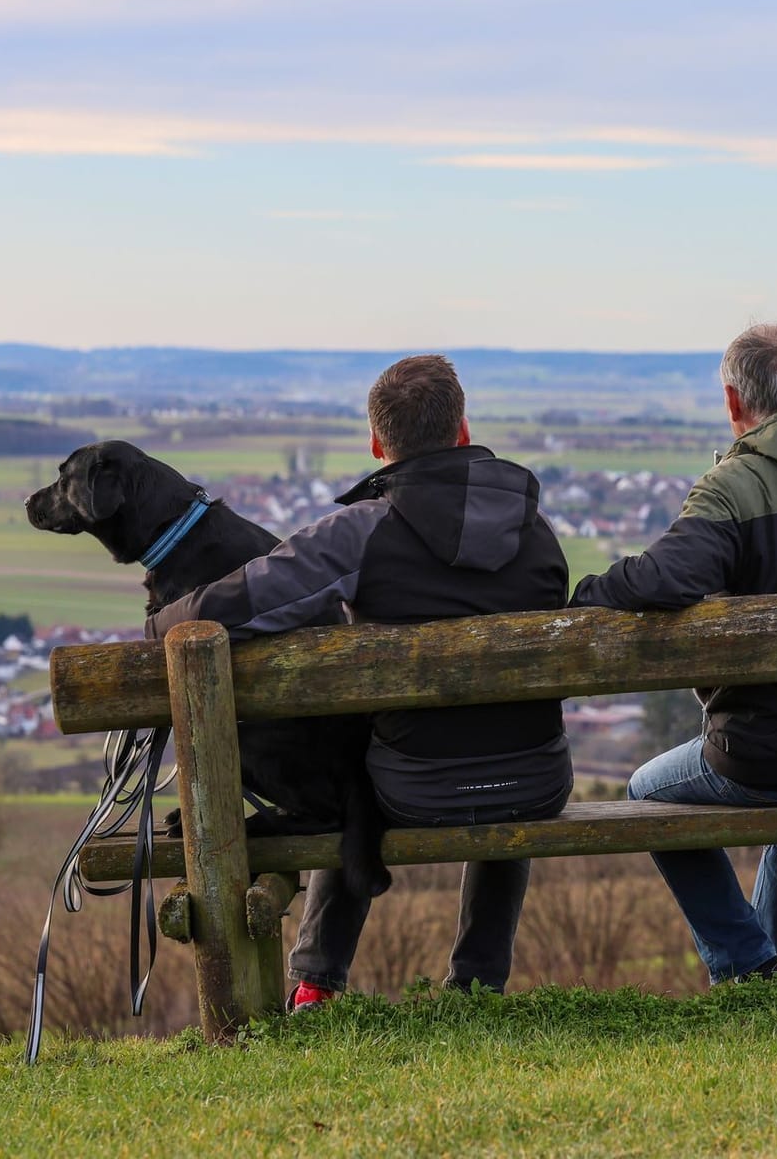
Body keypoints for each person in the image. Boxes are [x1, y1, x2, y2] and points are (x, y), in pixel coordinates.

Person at [151, 354, 571, 1005]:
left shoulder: (361, 532)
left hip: (414, 791)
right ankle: (477, 986)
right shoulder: (536, 528)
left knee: (361, 768)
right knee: (499, 745)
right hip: (540, 782)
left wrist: (155, 628)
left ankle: (316, 981)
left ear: (379, 445)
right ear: (462, 430)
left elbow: (231, 606)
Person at [569, 323, 777, 982]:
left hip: (767, 759)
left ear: (733, 403)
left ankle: (749, 967)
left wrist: (588, 593)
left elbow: (663, 579)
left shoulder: (734, 488)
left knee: (646, 795)